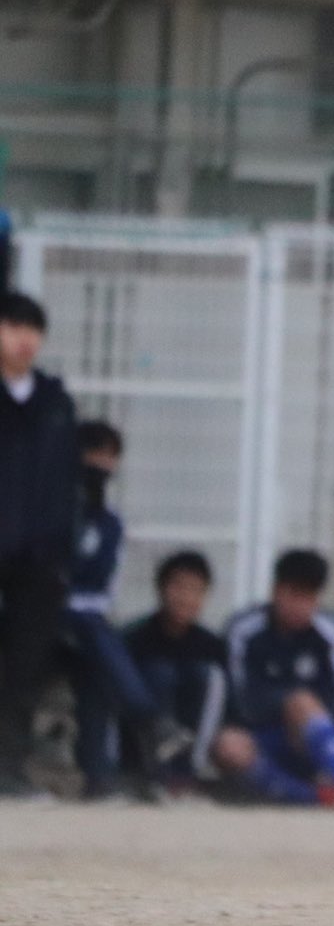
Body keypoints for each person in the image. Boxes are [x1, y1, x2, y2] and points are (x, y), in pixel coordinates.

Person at [64, 420, 178, 800]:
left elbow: (105, 589)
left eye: (109, 455)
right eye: (94, 452)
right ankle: (150, 720)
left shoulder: (111, 522)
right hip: (38, 619)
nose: (101, 464)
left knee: (98, 662)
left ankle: (99, 777)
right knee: (97, 637)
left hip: (84, 622)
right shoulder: (46, 508)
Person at [0, 291, 78, 799]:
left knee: (21, 671)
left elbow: (67, 480)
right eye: (12, 326)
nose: (24, 338)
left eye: (33, 329)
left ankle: (9, 770)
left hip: (39, 559)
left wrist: (61, 550)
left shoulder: (55, 401)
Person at [217, 548, 334, 807]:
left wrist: (302, 720)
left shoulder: (328, 632)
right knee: (227, 748)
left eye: (309, 597)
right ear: (276, 591)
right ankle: (317, 799)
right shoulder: (243, 630)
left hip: (310, 737)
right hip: (260, 732)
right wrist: (283, 706)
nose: (302, 606)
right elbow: (239, 696)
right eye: (295, 595)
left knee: (302, 702)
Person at [124, 550, 231, 798]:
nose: (185, 597)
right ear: (161, 589)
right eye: (178, 587)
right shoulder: (135, 640)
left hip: (193, 741)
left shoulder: (212, 646)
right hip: (142, 739)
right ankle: (152, 771)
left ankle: (190, 772)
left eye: (195, 590)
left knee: (206, 676)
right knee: (159, 673)